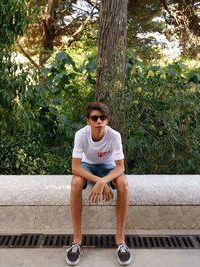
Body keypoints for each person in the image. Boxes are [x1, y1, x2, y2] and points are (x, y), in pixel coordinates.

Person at [65, 102, 131, 266]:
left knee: (123, 183)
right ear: (88, 120)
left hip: (109, 166)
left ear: (107, 120)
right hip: (88, 165)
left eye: (103, 117)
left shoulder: (114, 135)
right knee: (76, 184)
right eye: (94, 118)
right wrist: (98, 181)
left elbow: (121, 167)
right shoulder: (81, 134)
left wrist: (104, 180)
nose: (99, 121)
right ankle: (76, 242)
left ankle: (120, 241)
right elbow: (75, 167)